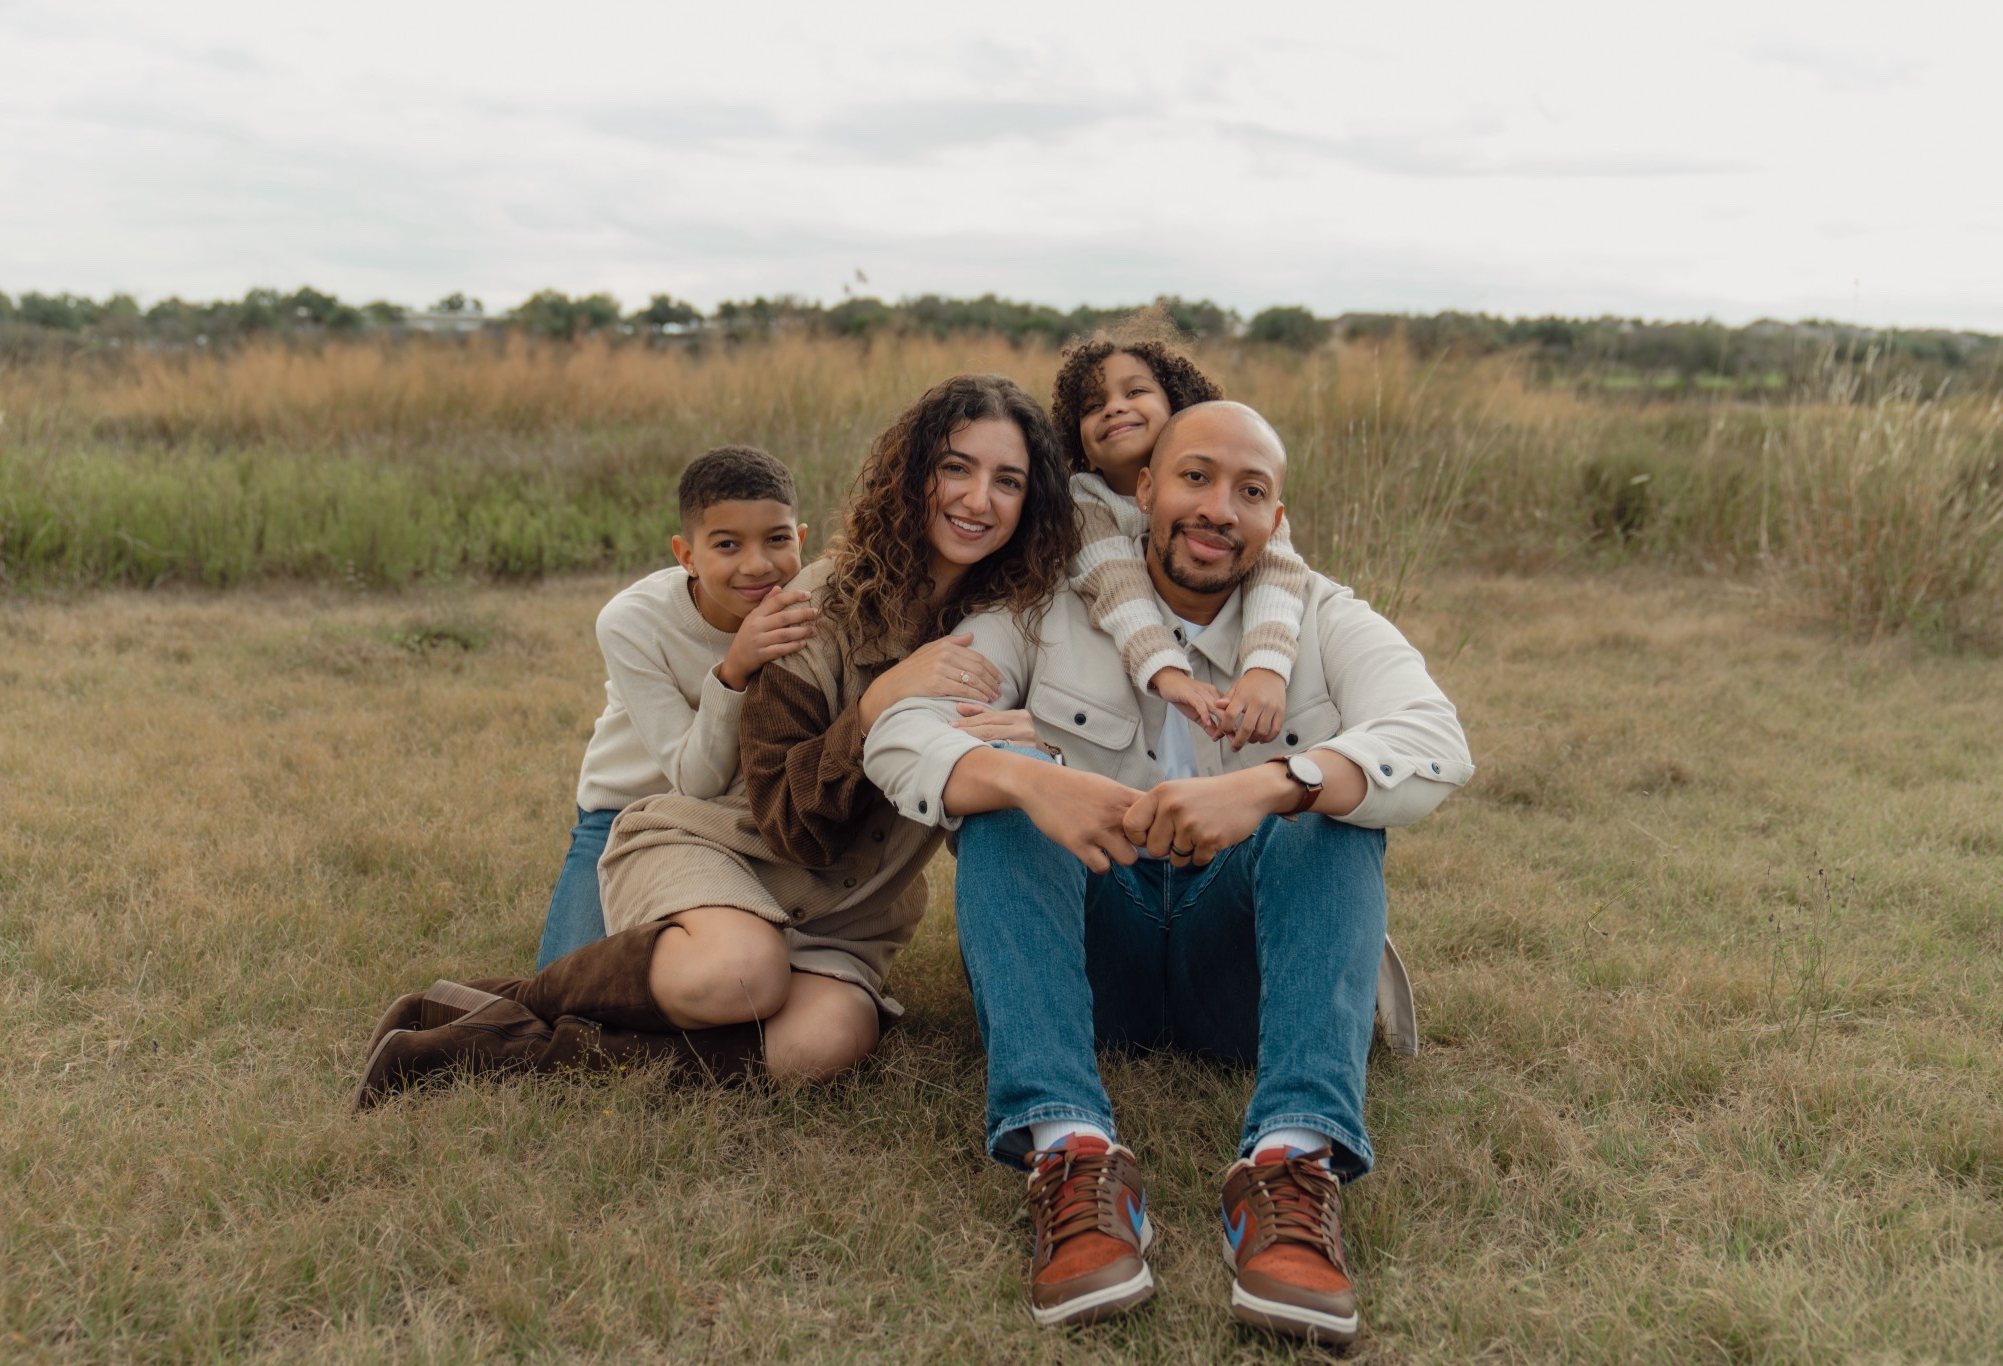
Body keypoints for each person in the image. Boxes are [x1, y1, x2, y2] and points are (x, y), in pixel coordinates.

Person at [863, 401, 1473, 1344]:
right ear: (1144, 489)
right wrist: (1027, 778)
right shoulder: (1042, 612)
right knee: (1006, 793)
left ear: (1275, 518)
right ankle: (1070, 1154)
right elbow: (902, 733)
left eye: (1249, 491)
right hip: (1089, 958)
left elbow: (1434, 740)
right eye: (1195, 478)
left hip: (1246, 976)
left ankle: (1291, 1167)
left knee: (1330, 801)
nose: (1219, 507)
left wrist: (1273, 784)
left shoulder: (1325, 616)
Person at [353, 373, 1076, 1104]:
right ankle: (503, 1011)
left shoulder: (1027, 629)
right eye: (955, 468)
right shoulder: (813, 604)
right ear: (914, 474)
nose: (977, 499)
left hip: (851, 906)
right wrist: (876, 707)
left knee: (823, 1043)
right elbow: (787, 816)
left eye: (1007, 481)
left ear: (1033, 501)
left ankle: (491, 1036)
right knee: (740, 975)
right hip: (731, 848)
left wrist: (1039, 740)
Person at [535, 445, 816, 969]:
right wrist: (734, 668)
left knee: (737, 973)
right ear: (686, 555)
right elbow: (695, 779)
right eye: (727, 544)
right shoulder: (632, 622)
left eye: (777, 539)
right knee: (571, 979)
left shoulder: (808, 609)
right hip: (626, 812)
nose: (757, 564)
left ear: (800, 540)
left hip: (740, 819)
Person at [1055, 318, 1309, 749]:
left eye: (1134, 392)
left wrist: (1266, 666)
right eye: (1093, 405)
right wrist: (1167, 670)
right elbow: (1118, 586)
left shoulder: (1240, 507)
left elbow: (1276, 573)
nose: (1113, 408)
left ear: (1179, 408)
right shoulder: (1084, 503)